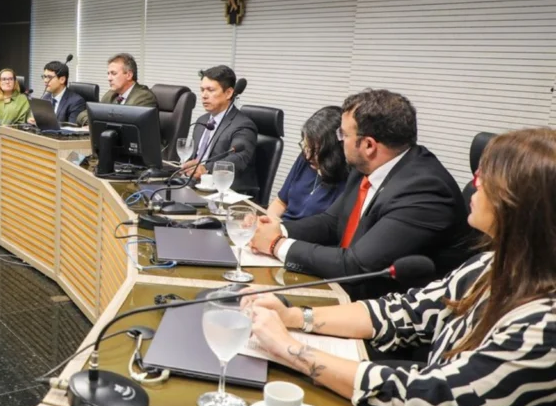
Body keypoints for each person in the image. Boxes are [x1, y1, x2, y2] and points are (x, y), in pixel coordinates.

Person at [244, 127, 556, 406]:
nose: (474, 184)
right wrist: (295, 315)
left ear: (521, 202)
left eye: (484, 176)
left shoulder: (546, 326)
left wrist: (290, 350)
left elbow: (430, 400)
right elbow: (402, 312)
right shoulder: (490, 265)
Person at [249, 88, 471, 300]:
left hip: (386, 311)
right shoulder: (367, 167)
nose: (339, 140)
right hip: (347, 289)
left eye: (343, 134)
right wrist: (276, 229)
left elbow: (356, 264)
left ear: (368, 145)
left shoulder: (425, 190)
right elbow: (330, 222)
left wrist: (277, 244)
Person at [179, 65, 258, 197]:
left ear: (228, 93)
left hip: (225, 191)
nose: (204, 96)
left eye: (210, 90)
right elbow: (195, 158)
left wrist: (206, 168)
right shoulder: (202, 121)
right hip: (195, 186)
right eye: (202, 90)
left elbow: (238, 158)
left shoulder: (243, 125)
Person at [267, 106, 347, 221]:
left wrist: (282, 231)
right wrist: (269, 222)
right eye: (306, 147)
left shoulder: (348, 182)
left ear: (334, 152)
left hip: (304, 237)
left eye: (316, 151)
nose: (308, 156)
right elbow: (280, 202)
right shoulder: (305, 158)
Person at [76, 53, 156, 125]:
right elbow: (83, 115)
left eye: (113, 73)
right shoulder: (111, 94)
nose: (109, 78)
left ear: (129, 75)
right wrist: (91, 123)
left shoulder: (144, 97)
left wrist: (100, 123)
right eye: (108, 74)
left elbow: (127, 124)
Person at [34, 60, 85, 124]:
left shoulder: (76, 102)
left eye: (49, 77)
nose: (45, 80)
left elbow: (72, 128)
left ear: (62, 80)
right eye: (44, 77)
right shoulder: (45, 97)